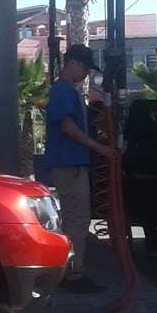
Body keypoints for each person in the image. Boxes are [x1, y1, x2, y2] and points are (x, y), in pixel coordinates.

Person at [44, 44, 115, 294]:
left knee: (74, 218)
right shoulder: (63, 90)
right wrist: (100, 148)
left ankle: (70, 270)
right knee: (77, 219)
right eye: (84, 68)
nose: (86, 74)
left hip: (70, 163)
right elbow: (67, 127)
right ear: (72, 63)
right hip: (69, 164)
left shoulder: (67, 91)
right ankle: (72, 273)